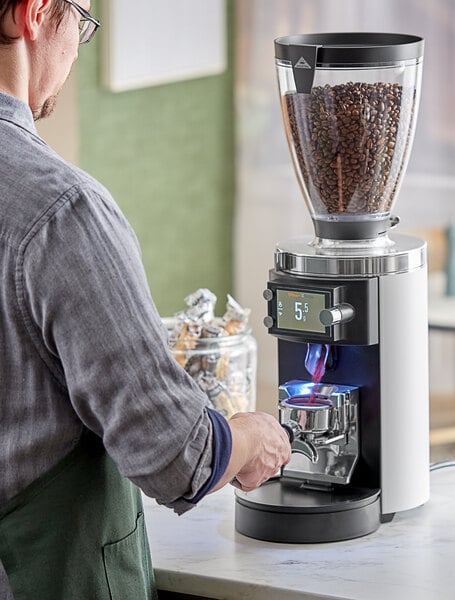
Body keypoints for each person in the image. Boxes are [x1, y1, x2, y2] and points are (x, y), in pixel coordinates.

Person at [0, 1, 291, 599]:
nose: (79, 43)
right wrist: (252, 437)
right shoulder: (60, 212)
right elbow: (174, 453)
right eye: (79, 17)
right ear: (34, 14)